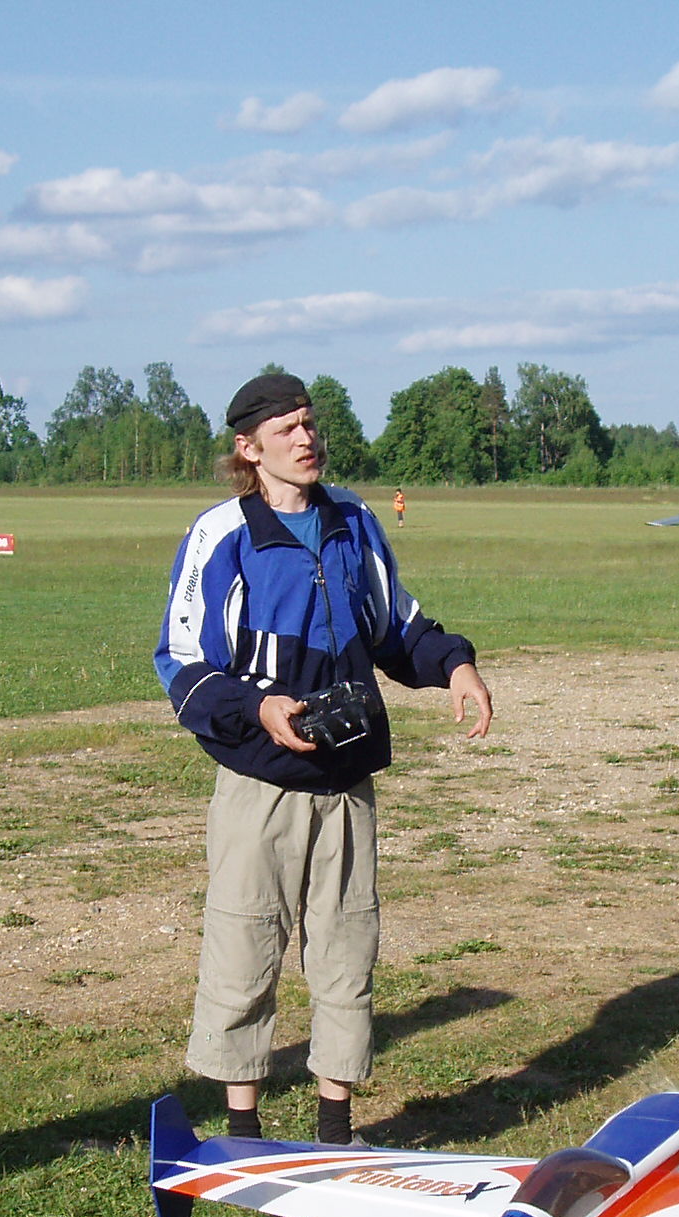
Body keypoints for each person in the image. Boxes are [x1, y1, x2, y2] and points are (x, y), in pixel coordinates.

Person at [156, 372, 492, 1145]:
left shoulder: (354, 522)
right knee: (244, 945)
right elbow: (180, 660)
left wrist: (455, 664)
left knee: (347, 950)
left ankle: (335, 1131)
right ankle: (243, 1134)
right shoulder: (221, 536)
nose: (306, 439)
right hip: (258, 785)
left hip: (347, 781)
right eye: (286, 429)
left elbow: (395, 626)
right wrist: (256, 708)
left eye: (310, 424)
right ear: (249, 448)